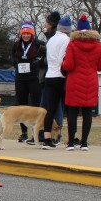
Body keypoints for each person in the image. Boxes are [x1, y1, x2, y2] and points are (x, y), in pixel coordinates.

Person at [61, 14, 101, 151]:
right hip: (91, 81)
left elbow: (68, 66)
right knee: (87, 113)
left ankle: (70, 143)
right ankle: (84, 143)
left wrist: (63, 63)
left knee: (72, 112)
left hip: (74, 82)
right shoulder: (99, 46)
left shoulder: (72, 45)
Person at [10, 21, 45, 142]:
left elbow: (44, 57)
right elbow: (12, 57)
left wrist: (37, 63)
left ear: (32, 34)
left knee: (35, 105)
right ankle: (24, 132)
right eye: (24, 33)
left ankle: (36, 133)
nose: (26, 36)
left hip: (34, 78)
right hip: (20, 78)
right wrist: (16, 64)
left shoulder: (38, 44)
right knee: (21, 105)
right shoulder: (16, 45)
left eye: (28, 33)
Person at [41, 14, 72, 149]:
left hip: (49, 76)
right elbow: (61, 60)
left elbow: (49, 59)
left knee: (50, 109)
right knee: (69, 109)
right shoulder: (66, 40)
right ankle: (71, 139)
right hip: (61, 77)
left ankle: (47, 139)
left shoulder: (51, 40)